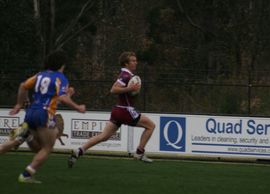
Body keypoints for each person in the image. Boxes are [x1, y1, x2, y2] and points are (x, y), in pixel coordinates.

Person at [0, 50, 86, 183]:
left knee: (33, 147)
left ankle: (27, 135)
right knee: (47, 148)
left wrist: (18, 104)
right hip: (44, 113)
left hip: (31, 112)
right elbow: (62, 98)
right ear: (62, 64)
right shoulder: (60, 77)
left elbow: (23, 86)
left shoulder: (40, 75)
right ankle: (26, 175)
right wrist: (77, 107)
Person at [68, 51, 155, 167]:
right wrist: (129, 89)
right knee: (151, 126)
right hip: (125, 110)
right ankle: (139, 153)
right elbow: (113, 89)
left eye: (136, 60)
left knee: (103, 136)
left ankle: (79, 151)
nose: (136, 63)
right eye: (133, 61)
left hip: (117, 111)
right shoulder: (126, 75)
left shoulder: (127, 75)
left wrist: (129, 89)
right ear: (126, 63)